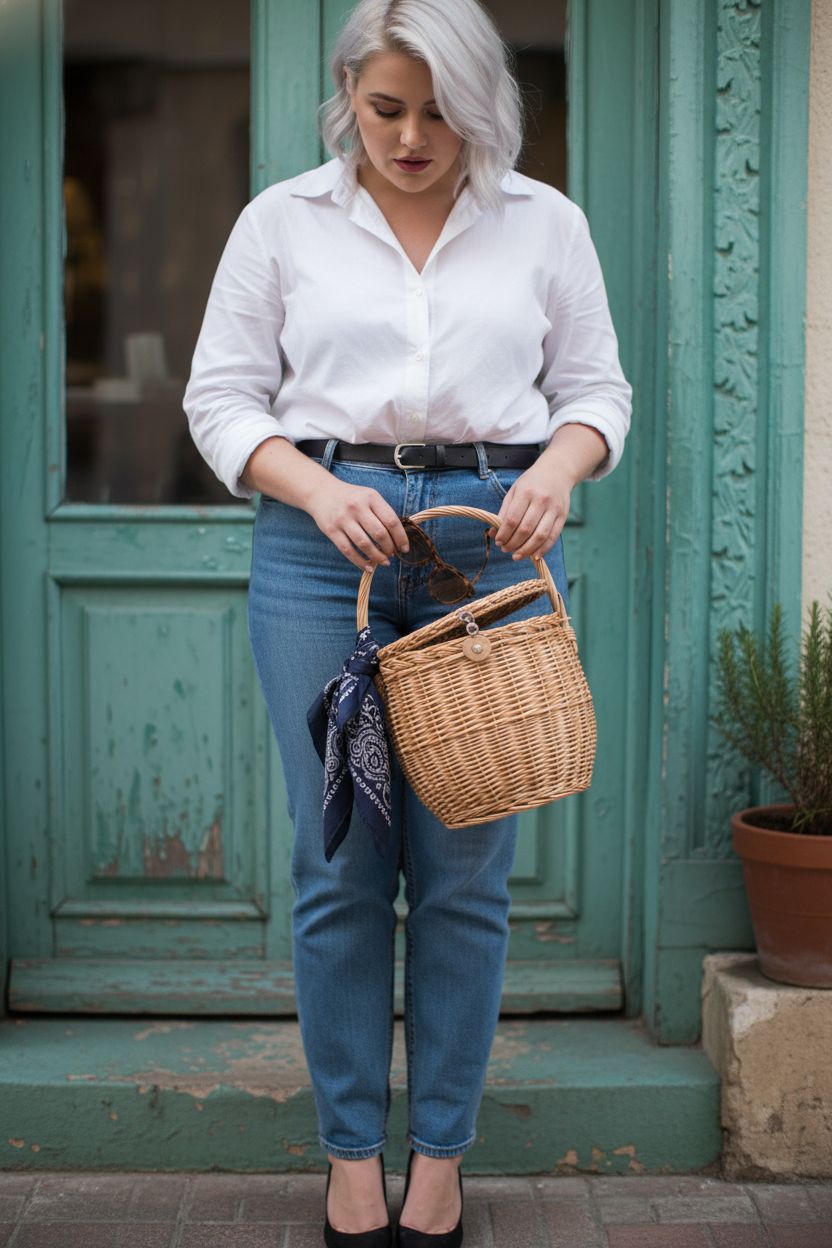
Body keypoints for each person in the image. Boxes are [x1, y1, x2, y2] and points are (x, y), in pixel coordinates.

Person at [183, 1, 632, 1243]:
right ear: (348, 98)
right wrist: (321, 488)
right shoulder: (283, 222)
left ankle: (438, 1156)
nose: (414, 136)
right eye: (387, 109)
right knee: (338, 864)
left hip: (490, 542)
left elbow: (596, 389)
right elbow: (219, 400)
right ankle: (345, 1153)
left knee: (465, 871)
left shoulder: (546, 223)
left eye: (441, 110)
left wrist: (558, 468)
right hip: (326, 549)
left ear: (481, 104)